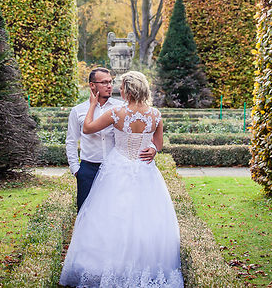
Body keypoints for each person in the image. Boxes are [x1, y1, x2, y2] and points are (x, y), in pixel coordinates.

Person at [60, 71, 183, 288]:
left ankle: (110, 268)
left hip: (117, 169)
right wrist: (153, 149)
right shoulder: (155, 114)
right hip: (145, 171)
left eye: (119, 86)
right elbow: (159, 143)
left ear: (127, 89)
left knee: (111, 217)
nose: (116, 88)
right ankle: (141, 268)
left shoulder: (117, 113)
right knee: (144, 219)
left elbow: (87, 128)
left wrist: (91, 104)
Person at [66, 67, 156, 211]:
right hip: (88, 168)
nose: (109, 86)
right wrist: (76, 169)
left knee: (115, 213)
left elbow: (136, 133)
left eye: (111, 82)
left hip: (115, 170)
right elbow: (71, 141)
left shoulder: (122, 108)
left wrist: (153, 148)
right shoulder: (78, 111)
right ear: (92, 85)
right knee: (85, 212)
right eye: (104, 82)